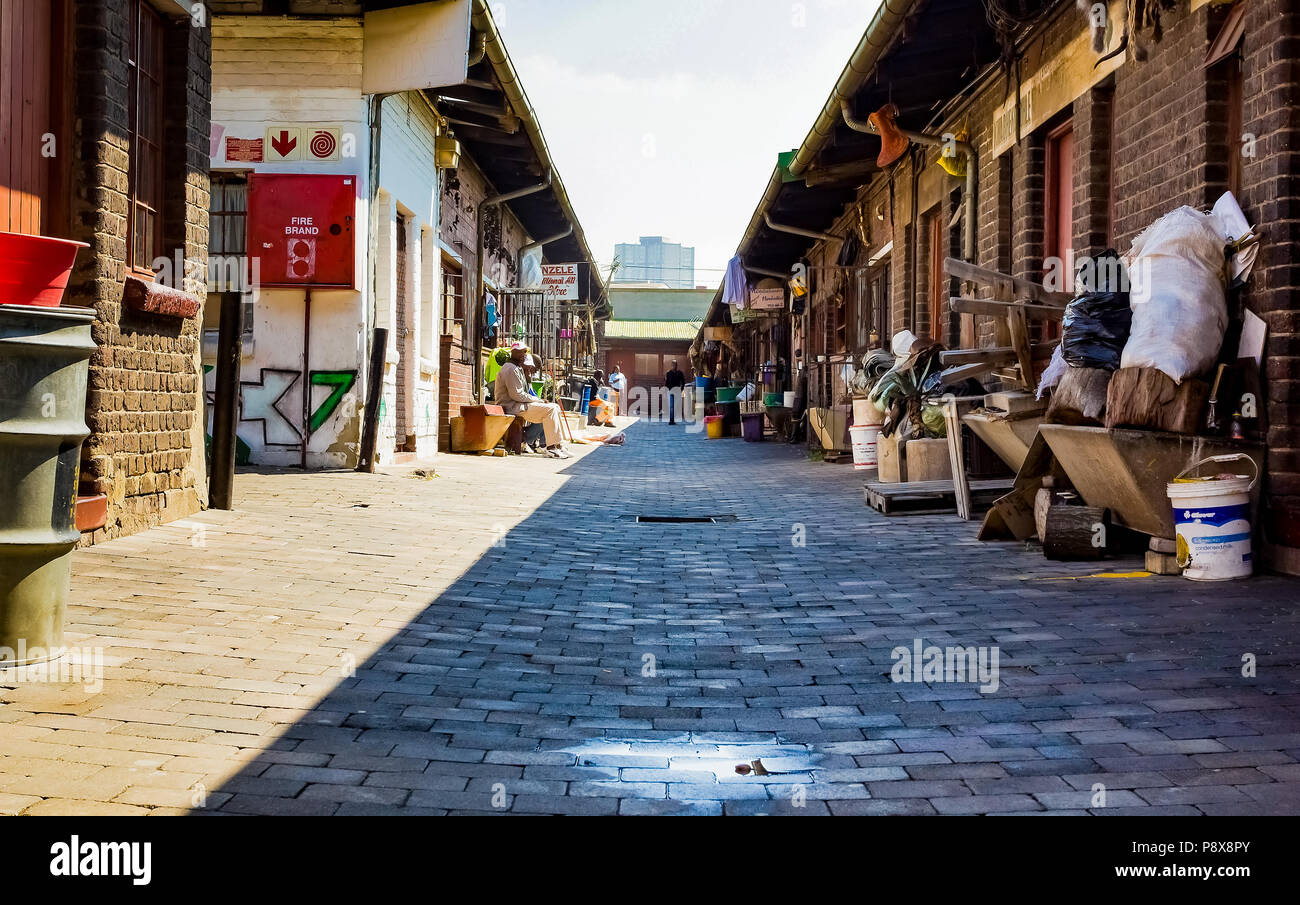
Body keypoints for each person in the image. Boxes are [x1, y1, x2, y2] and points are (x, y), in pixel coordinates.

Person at [495, 342, 570, 459]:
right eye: (520, 351)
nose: (523, 354)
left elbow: (521, 395)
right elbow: (517, 395)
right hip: (511, 406)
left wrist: (537, 400)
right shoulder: (510, 368)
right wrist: (537, 400)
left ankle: (558, 445)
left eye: (525, 352)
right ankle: (550, 448)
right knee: (550, 410)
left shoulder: (516, 367)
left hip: (518, 405)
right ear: (513, 352)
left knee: (555, 407)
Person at [664, 359, 686, 425]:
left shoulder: (680, 373)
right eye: (673, 365)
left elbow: (683, 382)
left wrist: (681, 389)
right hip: (670, 391)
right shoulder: (668, 373)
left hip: (677, 391)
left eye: (675, 365)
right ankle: (671, 420)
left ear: (677, 365)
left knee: (676, 406)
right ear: (671, 365)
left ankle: (673, 419)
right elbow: (666, 383)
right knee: (671, 406)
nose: (674, 366)